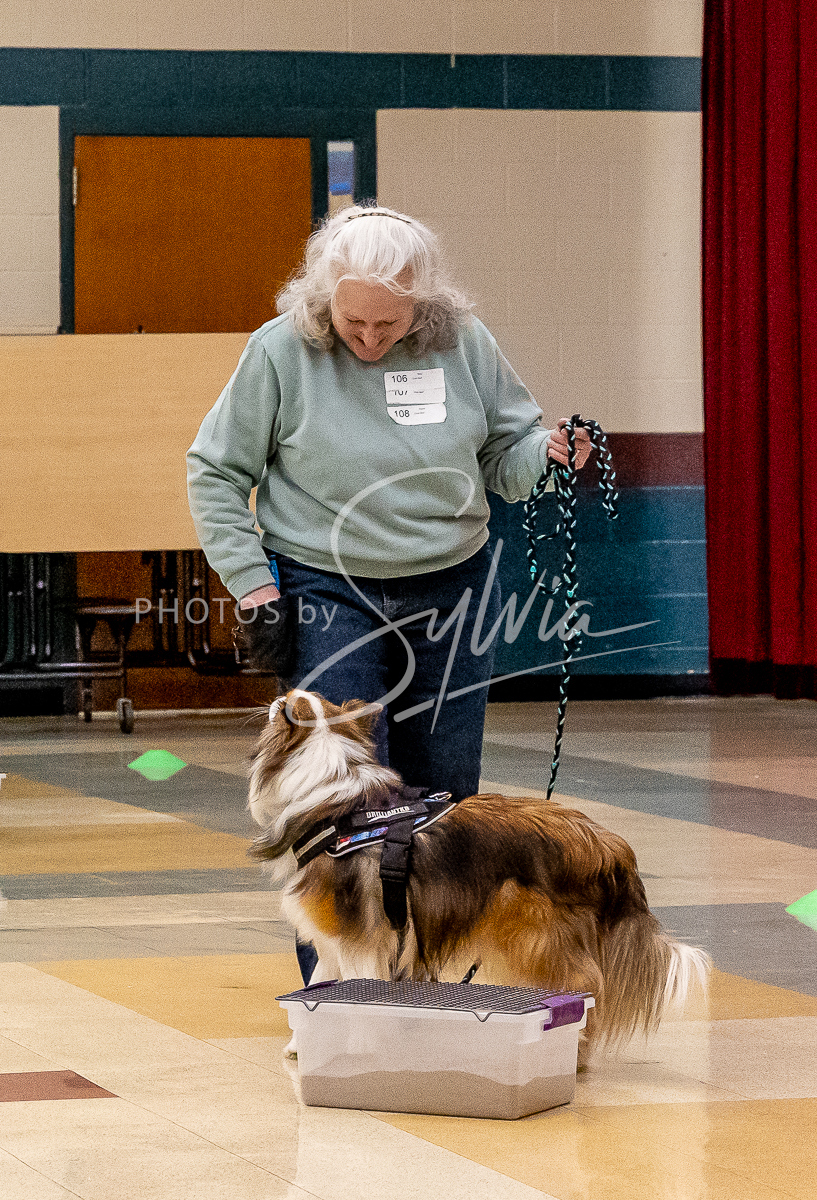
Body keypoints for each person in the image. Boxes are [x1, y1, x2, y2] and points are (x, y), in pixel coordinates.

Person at [187, 202, 590, 982]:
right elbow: (214, 471)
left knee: (444, 797)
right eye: (353, 322)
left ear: (422, 304)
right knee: (336, 797)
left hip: (451, 584)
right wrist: (254, 586)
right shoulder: (279, 351)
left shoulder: (463, 343)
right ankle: (335, 993)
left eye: (388, 324)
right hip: (326, 584)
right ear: (323, 297)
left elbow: (505, 457)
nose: (369, 339)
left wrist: (546, 454)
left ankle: (428, 983)